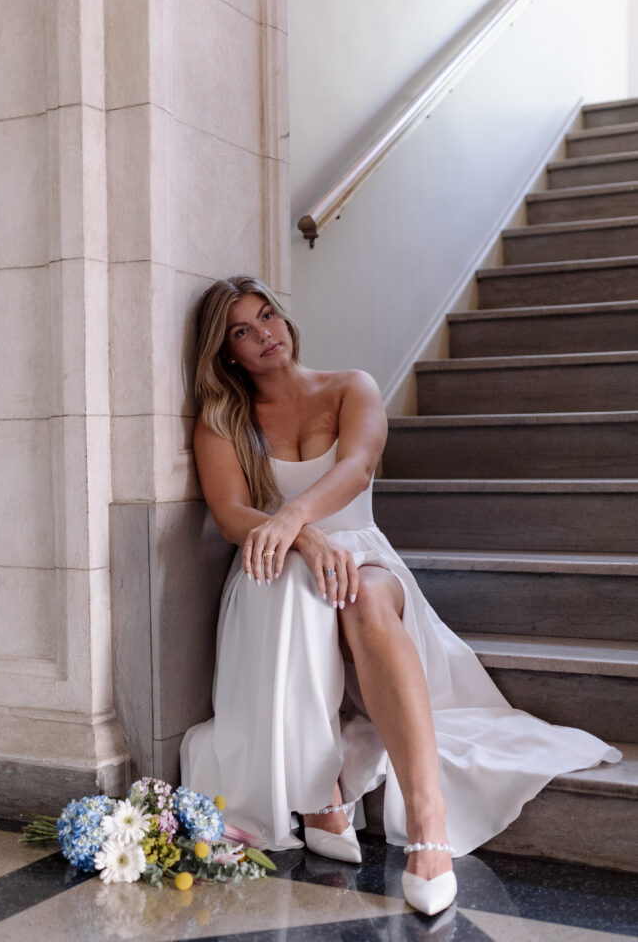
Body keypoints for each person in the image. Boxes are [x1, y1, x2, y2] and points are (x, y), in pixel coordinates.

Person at [180, 275, 622, 917]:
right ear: (228, 355)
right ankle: (321, 790)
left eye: (267, 316)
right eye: (242, 331)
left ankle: (428, 821)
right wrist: (301, 541)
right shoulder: (224, 421)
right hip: (282, 568)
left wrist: (292, 518)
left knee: (358, 595)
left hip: (363, 555)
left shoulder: (350, 386)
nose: (264, 335)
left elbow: (357, 468)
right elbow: (228, 515)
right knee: (283, 581)